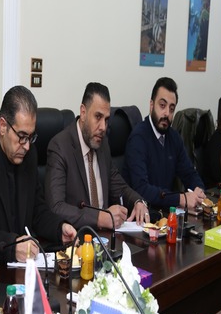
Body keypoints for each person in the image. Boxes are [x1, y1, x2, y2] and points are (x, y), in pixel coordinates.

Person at [0, 85, 77, 263]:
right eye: (21, 136)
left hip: (27, 264)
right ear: (3, 126)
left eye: (30, 137)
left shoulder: (29, 155)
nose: (27, 145)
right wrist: (11, 246)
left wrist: (59, 228)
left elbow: (38, 211)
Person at [45, 82, 148, 230]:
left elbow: (119, 186)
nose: (103, 127)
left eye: (106, 119)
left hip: (105, 237)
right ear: (83, 112)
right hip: (76, 237)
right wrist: (98, 218)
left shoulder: (102, 144)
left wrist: (138, 201)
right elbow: (56, 207)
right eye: (98, 117)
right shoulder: (60, 146)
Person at [122, 77, 206, 210]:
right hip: (142, 215)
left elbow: (189, 173)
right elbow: (141, 189)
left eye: (172, 109)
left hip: (167, 212)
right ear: (151, 105)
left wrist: (199, 190)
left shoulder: (174, 137)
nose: (167, 113)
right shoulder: (138, 138)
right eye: (162, 105)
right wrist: (181, 198)